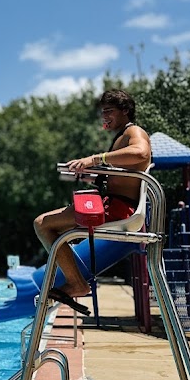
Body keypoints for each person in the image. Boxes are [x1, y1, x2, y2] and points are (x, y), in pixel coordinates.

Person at [34, 89, 152, 314]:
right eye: (102, 112)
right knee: (48, 227)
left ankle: (76, 283)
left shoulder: (134, 132)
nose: (104, 117)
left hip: (118, 208)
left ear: (125, 111)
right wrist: (90, 174)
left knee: (42, 224)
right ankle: (75, 280)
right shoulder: (121, 137)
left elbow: (141, 153)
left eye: (109, 111)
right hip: (112, 203)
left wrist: (96, 159)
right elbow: (121, 172)